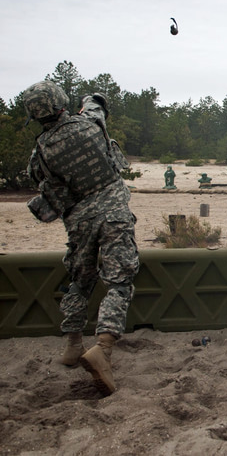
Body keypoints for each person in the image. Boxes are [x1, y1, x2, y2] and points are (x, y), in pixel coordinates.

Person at [24, 81, 139, 395]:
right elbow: (97, 104)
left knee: (80, 278)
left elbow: (39, 179)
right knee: (118, 281)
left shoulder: (41, 150)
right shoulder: (89, 122)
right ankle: (102, 349)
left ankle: (73, 343)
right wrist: (91, 100)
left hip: (78, 220)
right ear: (62, 102)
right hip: (113, 210)